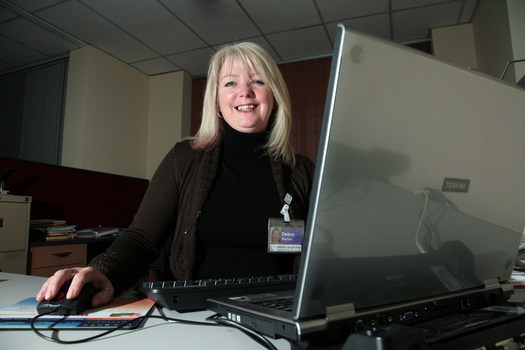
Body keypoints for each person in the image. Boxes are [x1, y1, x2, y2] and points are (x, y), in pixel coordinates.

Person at [37, 42, 315, 308]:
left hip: (279, 310)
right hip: (196, 312)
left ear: (275, 97)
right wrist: (102, 271)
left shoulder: (302, 170)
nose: (245, 92)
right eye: (230, 83)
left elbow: (325, 249)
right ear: (217, 102)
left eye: (257, 81)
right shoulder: (184, 158)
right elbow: (141, 238)